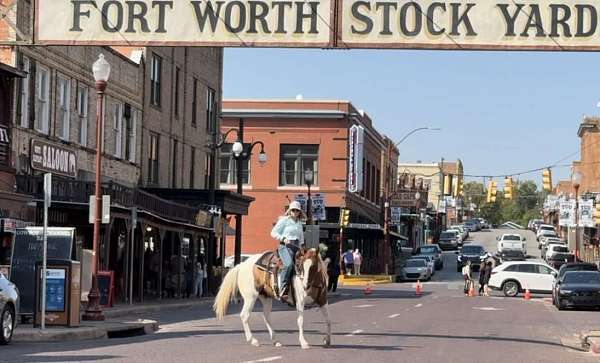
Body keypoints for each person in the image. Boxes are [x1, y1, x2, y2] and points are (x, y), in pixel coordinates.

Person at [270, 200, 305, 302]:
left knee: (300, 268)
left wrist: (302, 246)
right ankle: (283, 289)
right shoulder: (284, 221)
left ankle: (296, 291)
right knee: (289, 265)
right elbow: (273, 233)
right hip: (285, 246)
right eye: (293, 210)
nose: (295, 212)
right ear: (289, 211)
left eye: (297, 210)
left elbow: (301, 237)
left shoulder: (299, 223)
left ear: (299, 212)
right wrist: (283, 238)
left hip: (296, 246)